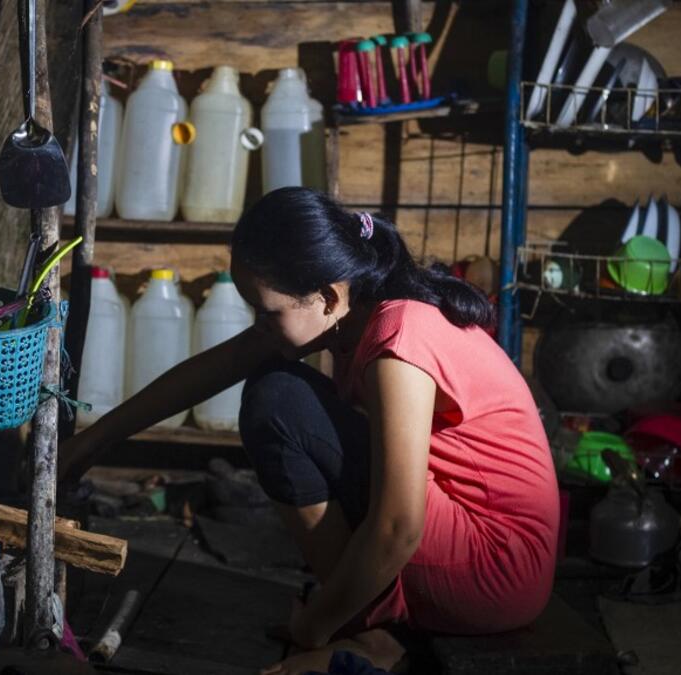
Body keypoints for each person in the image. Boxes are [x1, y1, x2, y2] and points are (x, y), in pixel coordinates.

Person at [59, 188, 560, 673]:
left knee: (279, 400)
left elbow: (399, 527)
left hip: (494, 571)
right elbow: (213, 367)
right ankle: (368, 624)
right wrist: (94, 440)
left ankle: (364, 633)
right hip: (486, 559)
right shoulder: (349, 311)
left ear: (326, 296)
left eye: (268, 313)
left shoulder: (399, 335)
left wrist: (314, 627)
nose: (260, 325)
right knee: (279, 390)